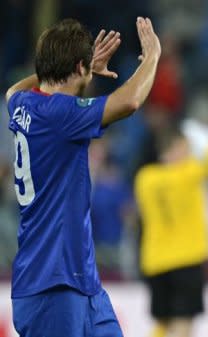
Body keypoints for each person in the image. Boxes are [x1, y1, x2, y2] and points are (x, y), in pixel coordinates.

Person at [6, 17, 161, 337]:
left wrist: (60, 68)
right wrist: (153, 57)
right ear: (80, 67)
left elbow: (12, 90)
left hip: (80, 281)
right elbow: (129, 101)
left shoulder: (24, 103)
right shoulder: (60, 114)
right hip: (52, 284)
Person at [134, 116, 208, 337]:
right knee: (183, 324)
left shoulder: (144, 179)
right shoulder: (188, 174)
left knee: (163, 322)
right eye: (186, 148)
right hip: (187, 260)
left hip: (155, 261)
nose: (189, 153)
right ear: (176, 147)